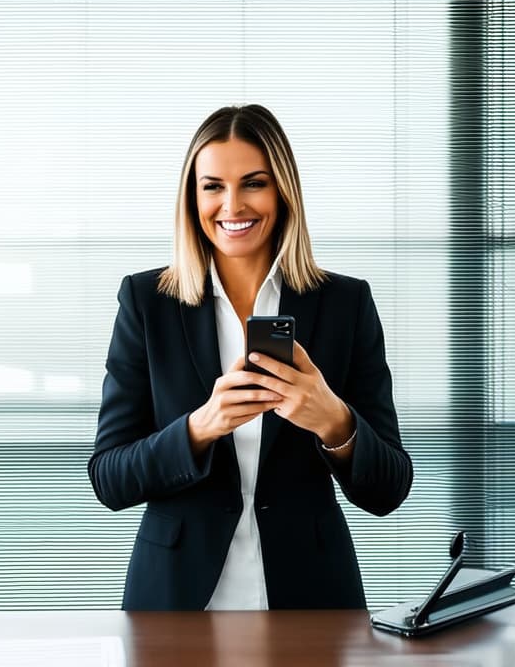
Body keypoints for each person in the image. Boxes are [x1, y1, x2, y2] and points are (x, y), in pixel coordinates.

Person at [88, 104, 413, 611]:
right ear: (192, 197)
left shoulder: (344, 303)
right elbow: (109, 476)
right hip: (176, 601)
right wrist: (201, 426)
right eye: (213, 186)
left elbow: (388, 488)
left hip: (312, 598)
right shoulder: (147, 302)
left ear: (283, 190)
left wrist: (333, 421)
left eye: (254, 183)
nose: (232, 205)